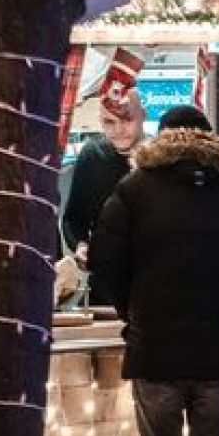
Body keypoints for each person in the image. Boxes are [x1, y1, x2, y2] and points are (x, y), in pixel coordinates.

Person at [89, 105, 219, 436]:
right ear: (212, 138)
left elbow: (105, 262)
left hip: (155, 349)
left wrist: (133, 309)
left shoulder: (133, 189)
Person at [62, 88, 146, 307]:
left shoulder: (160, 159)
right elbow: (73, 217)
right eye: (109, 122)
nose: (118, 130)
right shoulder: (91, 156)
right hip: (104, 281)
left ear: (142, 116)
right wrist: (80, 245)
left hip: (152, 280)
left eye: (126, 119)